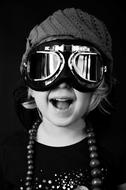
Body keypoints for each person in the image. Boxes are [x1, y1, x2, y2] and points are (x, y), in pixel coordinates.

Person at [0, 7, 126, 190]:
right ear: (30, 87)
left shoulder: (116, 150)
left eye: (84, 68)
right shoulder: (8, 153)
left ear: (99, 87)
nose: (63, 82)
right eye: (45, 68)